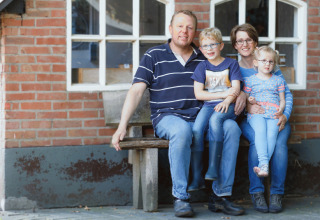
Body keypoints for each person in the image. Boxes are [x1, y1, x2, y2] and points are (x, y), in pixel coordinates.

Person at [112, 10, 244, 217]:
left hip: (203, 116)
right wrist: (122, 126)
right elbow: (137, 90)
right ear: (171, 29)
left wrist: (242, 93)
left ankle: (221, 196)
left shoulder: (205, 56)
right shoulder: (154, 55)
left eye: (190, 27)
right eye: (180, 26)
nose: (185, 31)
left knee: (232, 129)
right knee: (182, 131)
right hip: (167, 117)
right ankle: (181, 197)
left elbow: (228, 81)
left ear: (195, 33)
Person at [230, 23, 293, 213]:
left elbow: (286, 95)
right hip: (251, 119)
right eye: (240, 41)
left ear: (255, 43)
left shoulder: (270, 65)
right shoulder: (233, 69)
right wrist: (248, 105)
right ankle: (257, 192)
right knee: (258, 143)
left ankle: (276, 194)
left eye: (249, 39)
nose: (245, 44)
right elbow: (231, 99)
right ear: (235, 45)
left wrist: (284, 115)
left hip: (275, 116)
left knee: (280, 145)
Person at [189, 27, 242, 192]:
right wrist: (223, 93)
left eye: (213, 44)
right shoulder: (202, 67)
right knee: (197, 129)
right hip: (208, 105)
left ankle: (213, 167)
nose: (209, 49)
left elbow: (236, 89)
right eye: (205, 46)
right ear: (200, 49)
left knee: (215, 120)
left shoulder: (231, 64)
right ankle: (197, 177)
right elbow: (198, 94)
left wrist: (227, 100)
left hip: (229, 106)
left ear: (221, 45)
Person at [243, 46, 286, 177]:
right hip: (257, 113)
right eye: (263, 61)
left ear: (274, 63)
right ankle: (264, 163)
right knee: (260, 131)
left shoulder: (278, 80)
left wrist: (281, 110)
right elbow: (245, 98)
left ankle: (264, 167)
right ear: (255, 62)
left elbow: (282, 99)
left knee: (272, 135)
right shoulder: (250, 80)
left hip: (273, 113)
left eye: (271, 61)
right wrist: (250, 100)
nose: (267, 64)